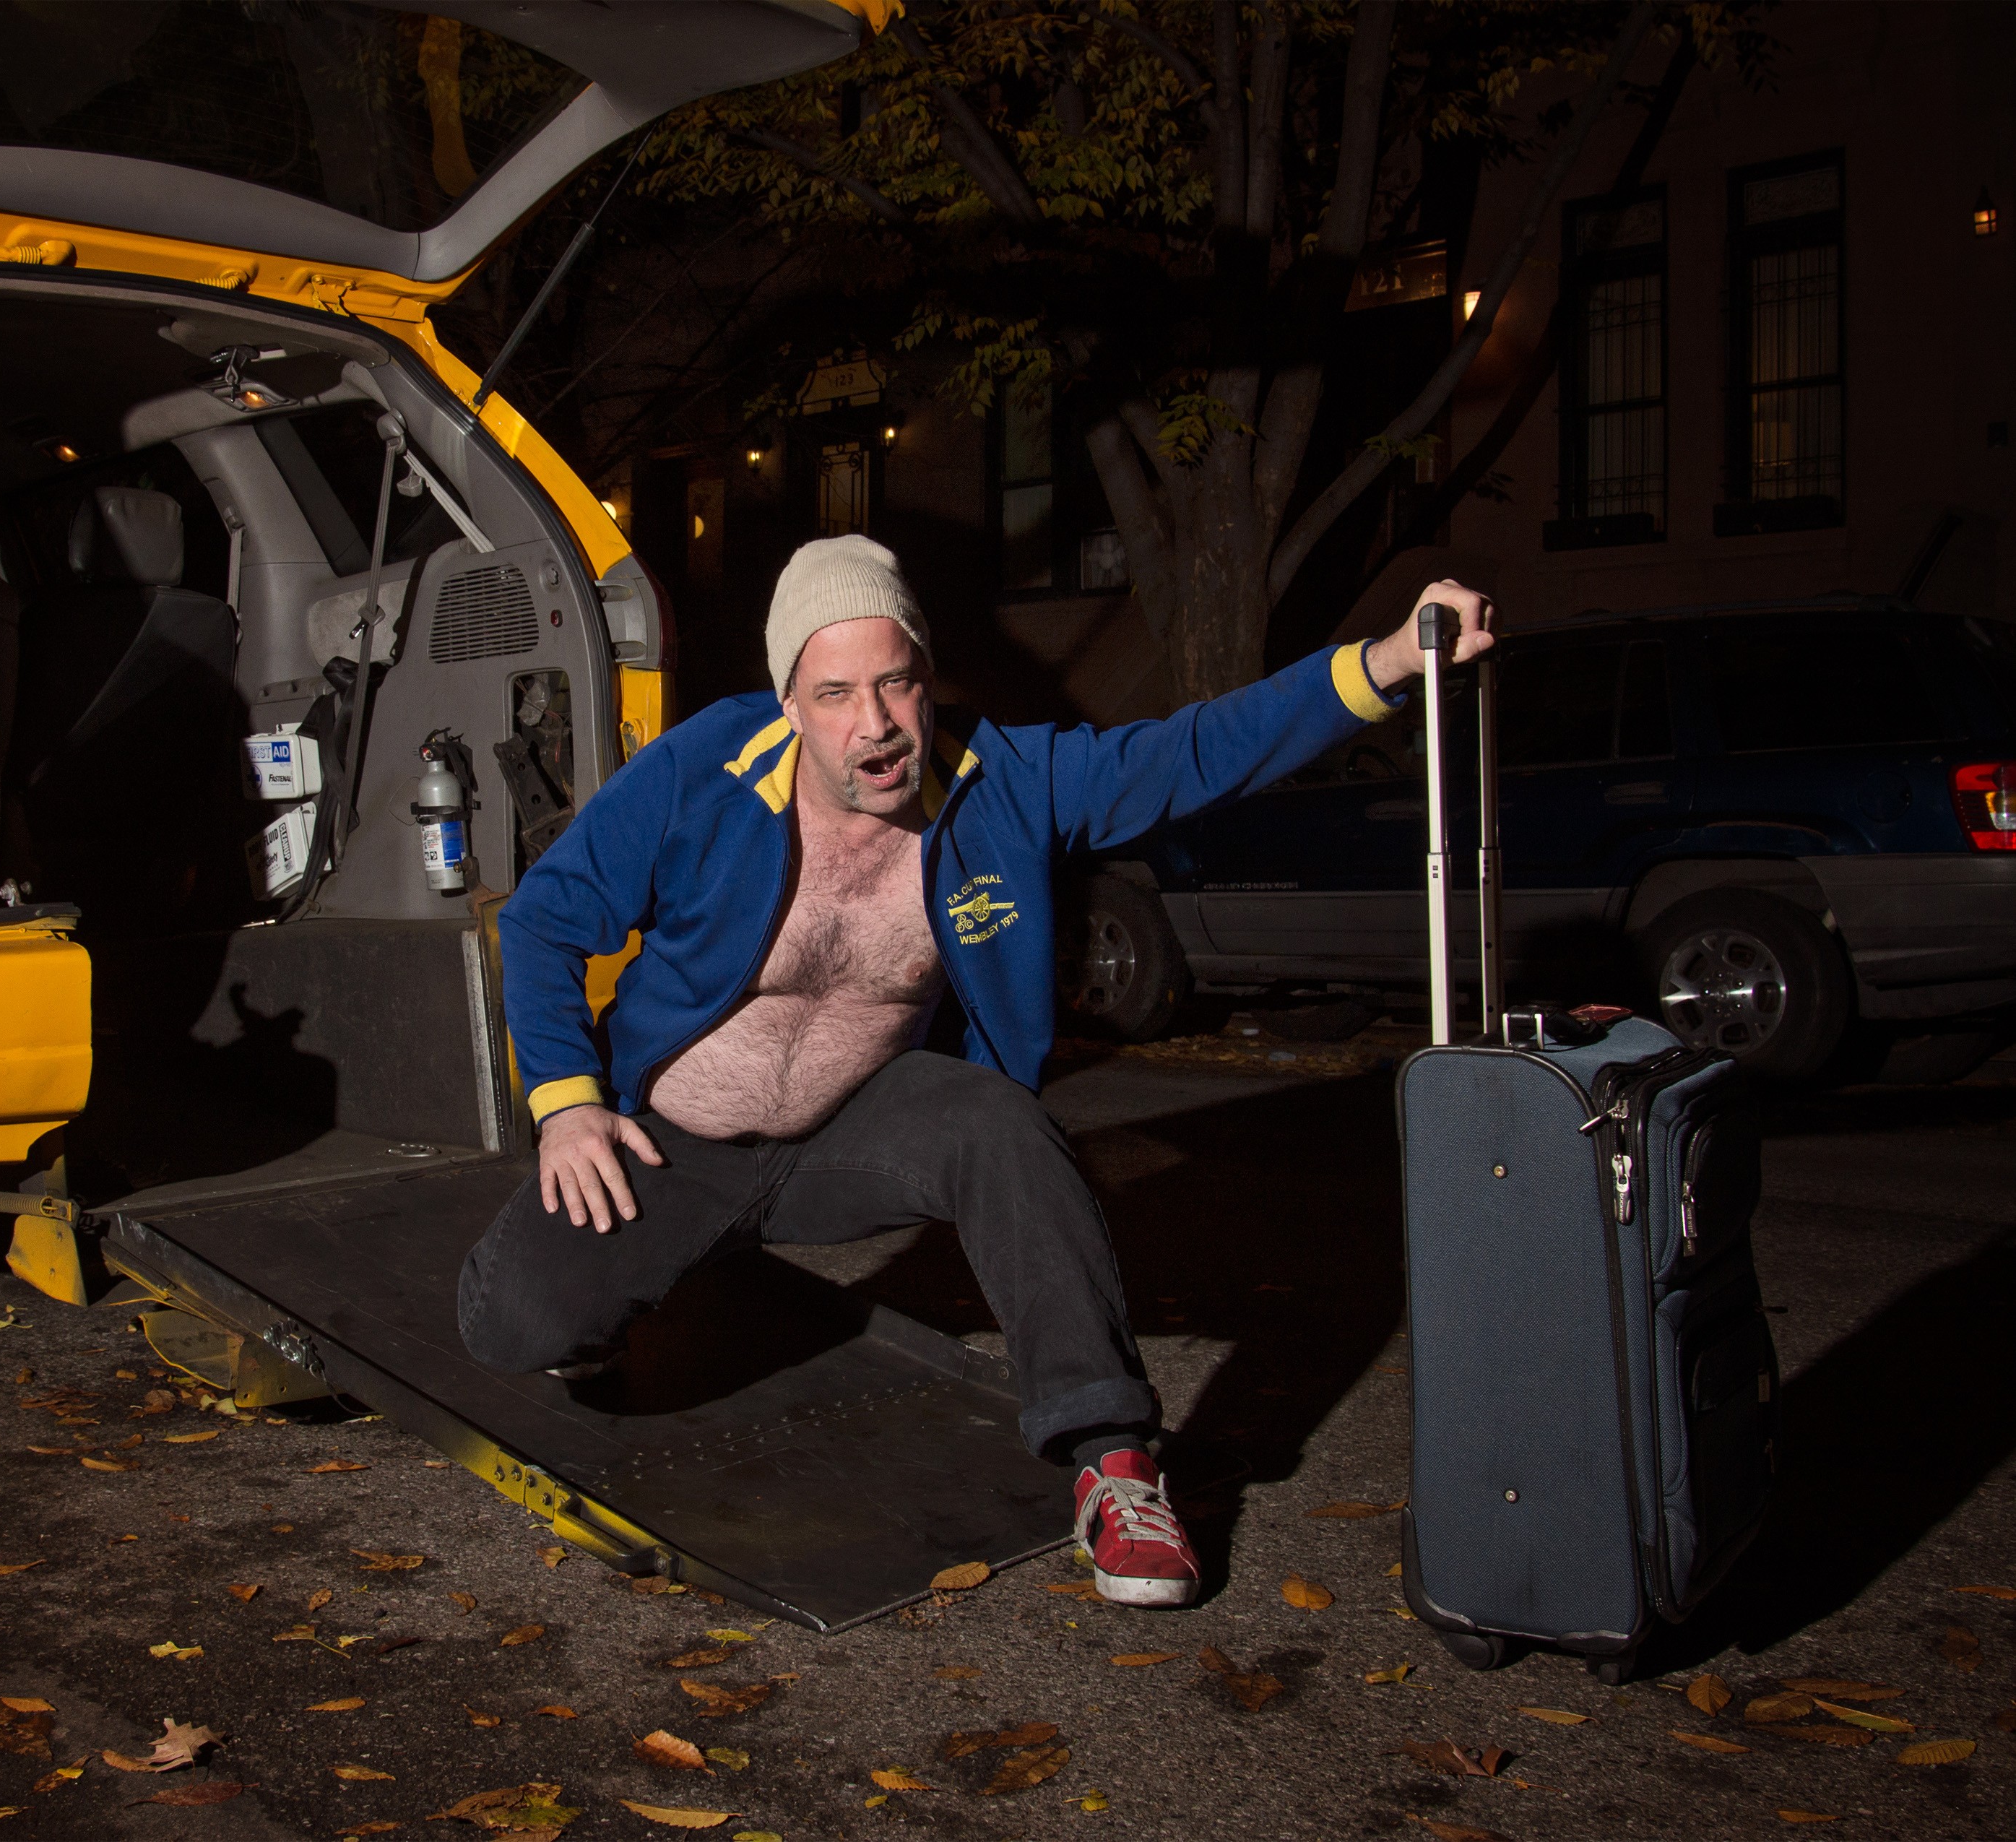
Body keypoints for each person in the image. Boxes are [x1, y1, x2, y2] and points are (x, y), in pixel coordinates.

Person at [459, 535, 1494, 1607]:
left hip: (853, 1135)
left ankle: (1113, 1462)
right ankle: (630, 1272)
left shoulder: (1003, 783)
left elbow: (1191, 754)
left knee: (998, 1123)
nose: (874, 724)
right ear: (789, 703)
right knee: (516, 1324)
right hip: (676, 1143)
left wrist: (1385, 663)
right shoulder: (702, 772)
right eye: (836, 694)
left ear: (927, 675)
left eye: (896, 682)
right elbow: (544, 920)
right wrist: (568, 1106)